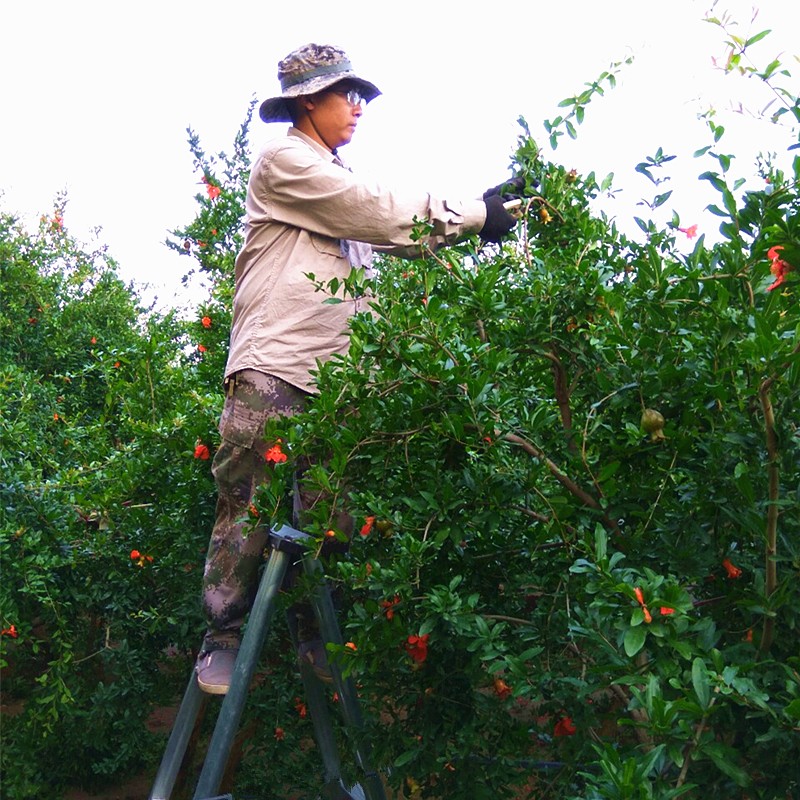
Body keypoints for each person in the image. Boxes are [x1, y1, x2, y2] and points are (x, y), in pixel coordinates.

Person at [195, 42, 519, 694]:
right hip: (275, 368)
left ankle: (312, 629)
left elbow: (393, 232)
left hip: (334, 384)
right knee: (249, 502)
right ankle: (221, 635)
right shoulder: (287, 161)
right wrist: (477, 215)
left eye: (360, 97)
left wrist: (484, 223)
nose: (358, 109)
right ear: (309, 101)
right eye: (348, 96)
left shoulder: (334, 188)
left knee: (329, 514)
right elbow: (379, 209)